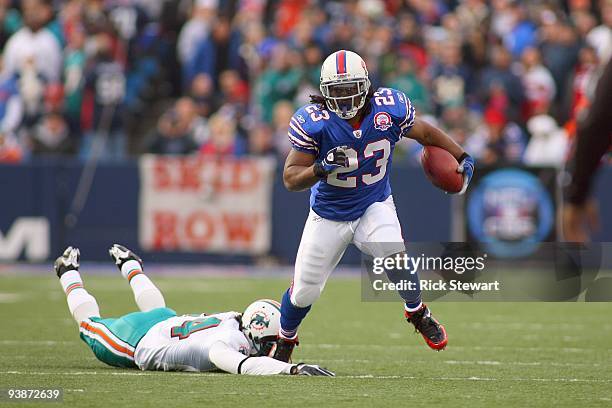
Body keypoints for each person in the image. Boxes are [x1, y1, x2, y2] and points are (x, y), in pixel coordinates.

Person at [273, 50, 475, 362]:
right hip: (328, 214)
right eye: (336, 91)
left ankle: (417, 312)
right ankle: (285, 338)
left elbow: (425, 133)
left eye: (349, 89)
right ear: (324, 91)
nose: (342, 98)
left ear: (366, 85)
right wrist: (319, 169)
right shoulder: (314, 123)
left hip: (373, 202)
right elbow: (289, 178)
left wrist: (461, 155)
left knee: (394, 252)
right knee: (304, 291)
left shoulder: (389, 108)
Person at [53, 244, 333, 376]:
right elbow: (243, 365)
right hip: (133, 342)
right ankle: (67, 271)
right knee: (88, 323)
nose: (278, 350)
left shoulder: (235, 319)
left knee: (158, 307)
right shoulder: (224, 344)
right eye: (273, 343)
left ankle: (130, 264)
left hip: (165, 322)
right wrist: (292, 370)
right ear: (258, 334)